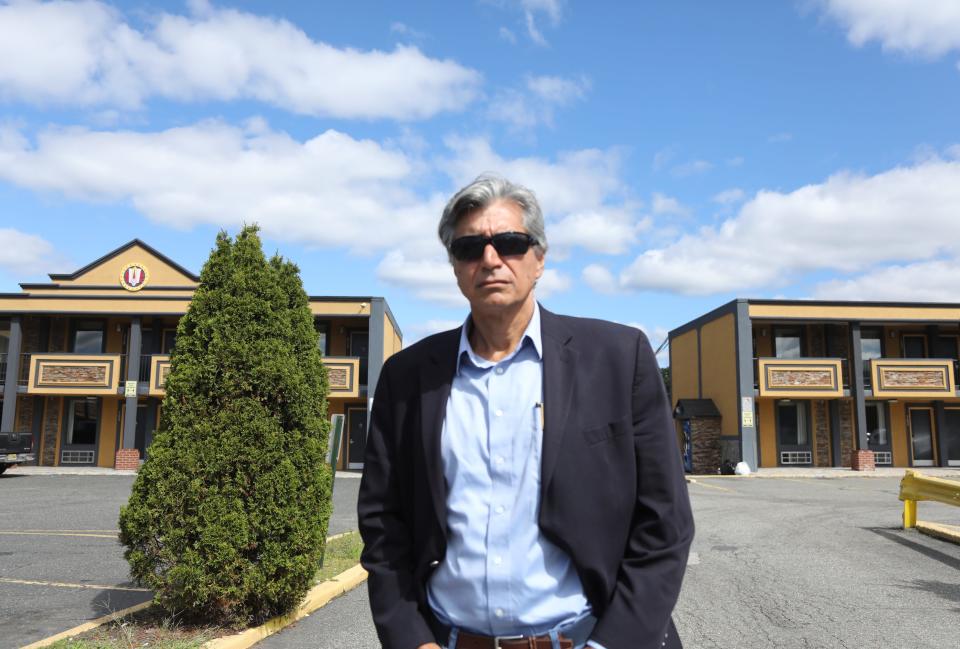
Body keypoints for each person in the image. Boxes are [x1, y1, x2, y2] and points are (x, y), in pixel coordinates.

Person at [358, 175, 694, 649]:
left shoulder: (619, 359)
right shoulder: (407, 377)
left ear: (539, 258)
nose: (490, 259)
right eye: (469, 247)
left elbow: (665, 523)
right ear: (455, 266)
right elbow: (382, 523)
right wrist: (411, 639)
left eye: (510, 243)